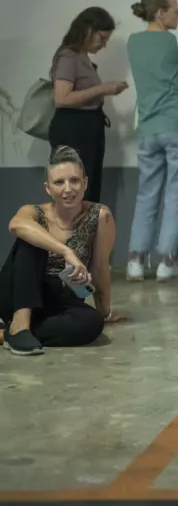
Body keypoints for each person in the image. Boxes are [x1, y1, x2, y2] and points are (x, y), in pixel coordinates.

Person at [0, 147, 122, 356]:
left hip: (59, 299)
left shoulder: (100, 215)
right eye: (59, 182)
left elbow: (100, 267)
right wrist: (67, 252)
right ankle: (19, 324)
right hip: (18, 291)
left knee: (92, 323)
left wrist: (105, 312)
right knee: (33, 241)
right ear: (48, 188)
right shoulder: (34, 212)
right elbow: (16, 224)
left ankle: (8, 333)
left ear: (85, 183)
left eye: (74, 181)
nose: (68, 189)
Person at [124, 0, 178, 282]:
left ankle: (135, 261)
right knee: (176, 193)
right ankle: (167, 261)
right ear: (160, 13)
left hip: (149, 128)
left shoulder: (133, 42)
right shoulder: (177, 43)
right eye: (175, 8)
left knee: (146, 194)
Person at [48, 7, 129, 203]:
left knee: (89, 191)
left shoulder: (82, 57)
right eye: (102, 38)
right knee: (76, 194)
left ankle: (86, 233)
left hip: (88, 128)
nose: (104, 44)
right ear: (88, 31)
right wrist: (103, 89)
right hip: (74, 130)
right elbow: (62, 98)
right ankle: (74, 234)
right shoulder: (69, 56)